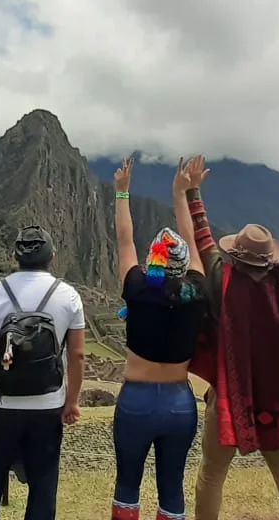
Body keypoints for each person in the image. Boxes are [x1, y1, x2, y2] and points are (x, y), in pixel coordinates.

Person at [182, 154, 279, 520]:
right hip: (277, 398)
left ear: (237, 256)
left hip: (233, 396)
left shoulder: (224, 282)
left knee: (212, 473)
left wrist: (193, 192)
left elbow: (203, 240)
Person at [0, 225, 86, 520]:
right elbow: (77, 354)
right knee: (43, 485)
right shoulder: (68, 296)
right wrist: (72, 401)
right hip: (48, 406)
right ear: (52, 256)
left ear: (13, 256)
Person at [108, 156, 209, 520]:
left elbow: (124, 241)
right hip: (180, 404)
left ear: (151, 260)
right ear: (184, 265)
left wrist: (122, 193)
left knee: (127, 485)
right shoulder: (197, 291)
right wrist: (182, 193)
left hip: (135, 401)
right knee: (172, 485)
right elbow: (197, 245)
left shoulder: (136, 287)